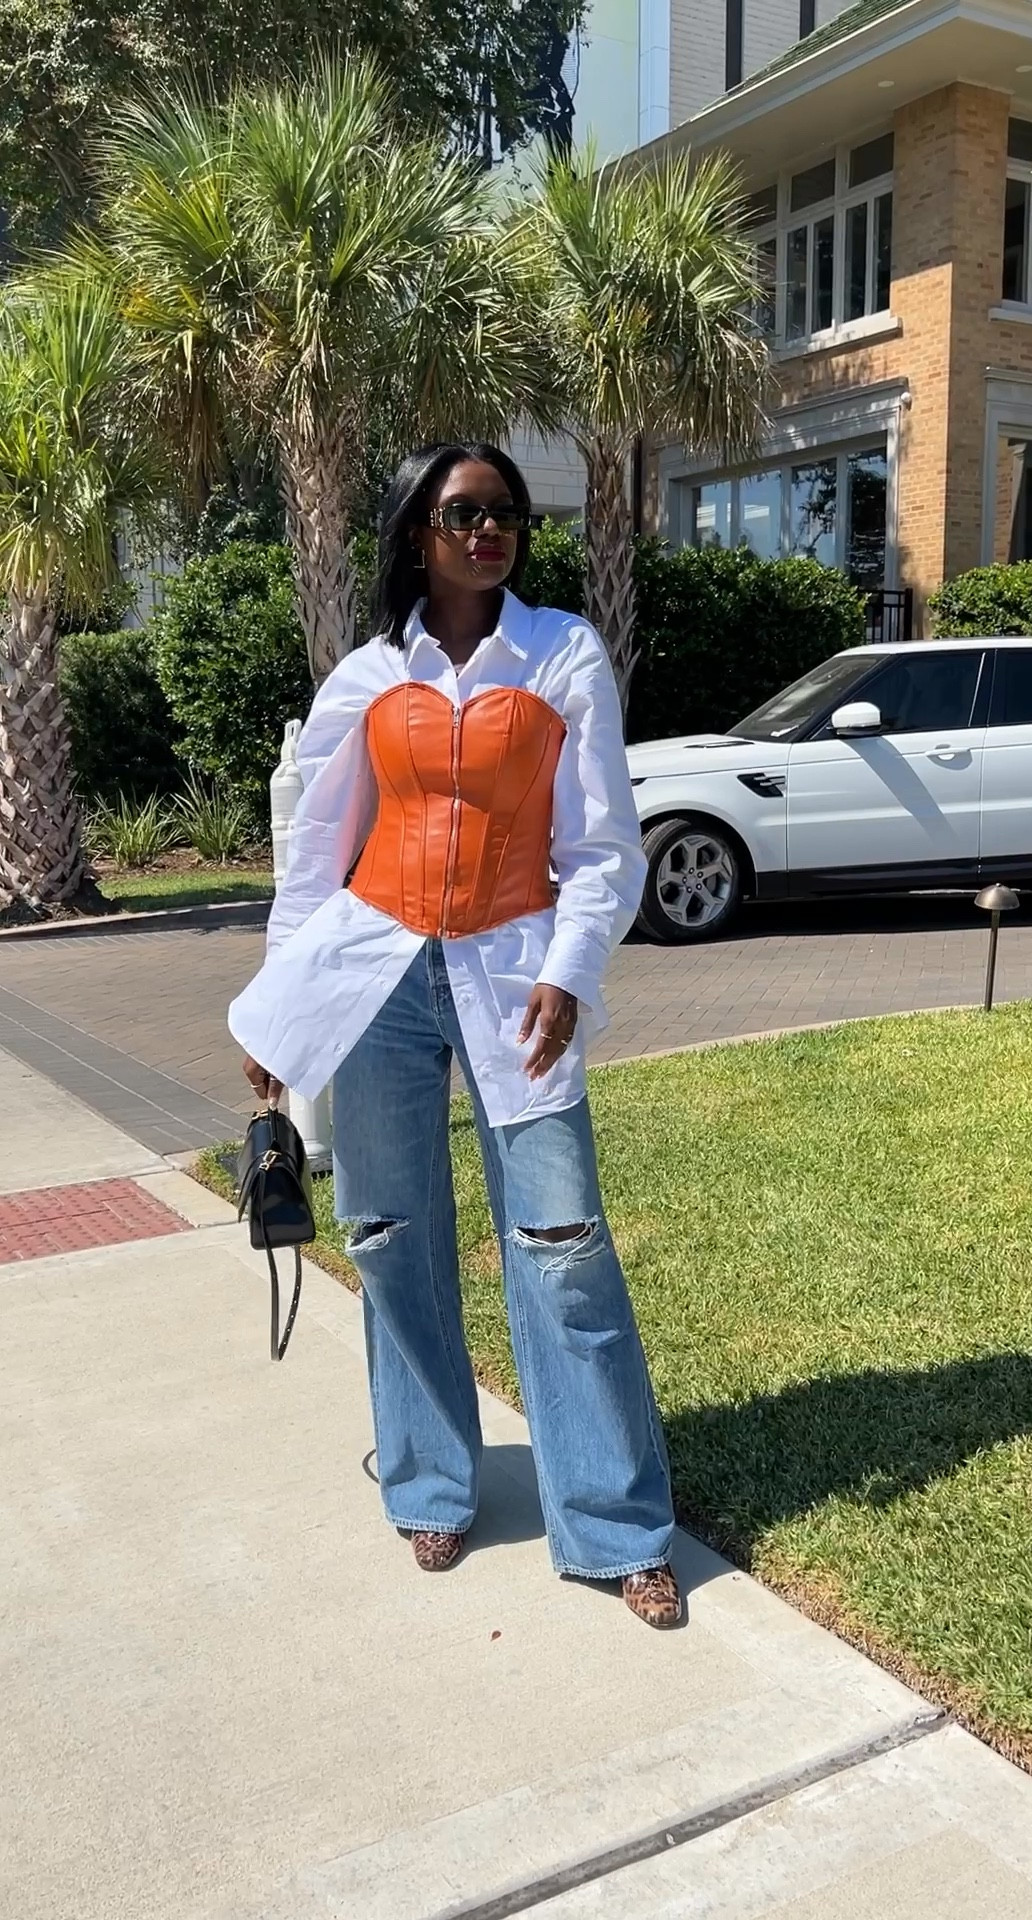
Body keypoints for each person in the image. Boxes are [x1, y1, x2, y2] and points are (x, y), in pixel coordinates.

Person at [229, 441, 681, 1629]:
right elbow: (315, 855)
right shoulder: (369, 675)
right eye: (465, 512)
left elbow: (603, 846)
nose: (490, 531)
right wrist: (284, 1002)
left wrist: (571, 971)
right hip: (374, 982)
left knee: (563, 1241)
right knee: (389, 1237)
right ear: (416, 534)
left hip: (517, 979)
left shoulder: (562, 653)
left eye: (507, 514)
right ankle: (431, 1483)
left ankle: (615, 1525)